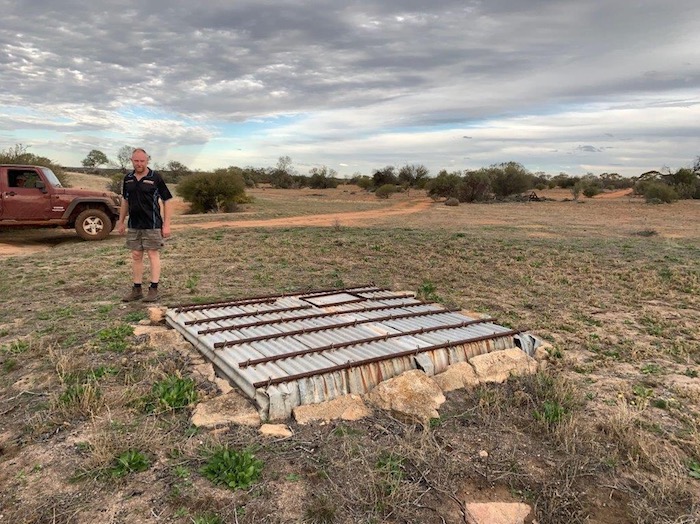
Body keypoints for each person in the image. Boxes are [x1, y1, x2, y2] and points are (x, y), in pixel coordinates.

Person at [117, 148, 173, 302]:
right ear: (131, 161)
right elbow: (125, 201)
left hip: (152, 224)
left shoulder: (155, 177)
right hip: (134, 224)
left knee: (152, 254)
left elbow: (167, 200)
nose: (139, 163)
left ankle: (153, 289)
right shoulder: (128, 179)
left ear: (147, 160)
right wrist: (121, 222)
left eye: (142, 161)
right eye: (136, 161)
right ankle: (137, 289)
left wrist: (166, 225)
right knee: (136, 255)